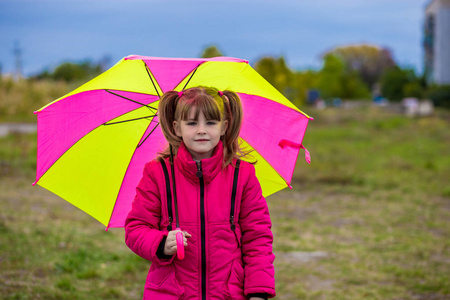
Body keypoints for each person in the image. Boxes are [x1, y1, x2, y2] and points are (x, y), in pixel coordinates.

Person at [125, 86, 275, 299]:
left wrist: (258, 291)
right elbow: (136, 228)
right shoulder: (157, 173)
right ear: (177, 128)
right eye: (192, 123)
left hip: (228, 293)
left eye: (211, 123)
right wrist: (161, 243)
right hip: (171, 292)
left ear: (224, 127)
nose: (202, 130)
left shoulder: (242, 175)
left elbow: (257, 238)